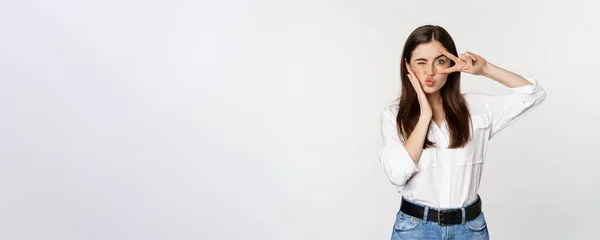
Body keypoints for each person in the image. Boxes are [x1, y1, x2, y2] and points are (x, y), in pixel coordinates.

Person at [379, 25, 546, 239]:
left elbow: (533, 94)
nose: (430, 72)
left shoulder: (477, 107)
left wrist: (485, 69)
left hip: (469, 230)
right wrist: (424, 116)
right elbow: (397, 174)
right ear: (407, 66)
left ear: (452, 64)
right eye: (421, 63)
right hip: (416, 230)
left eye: (440, 62)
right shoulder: (393, 116)